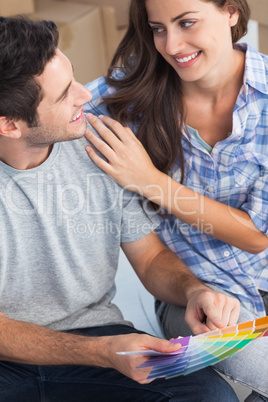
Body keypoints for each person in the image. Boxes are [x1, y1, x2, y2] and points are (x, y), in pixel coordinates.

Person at [0, 15, 240, 402]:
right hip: (11, 355)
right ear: (9, 124)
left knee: (210, 396)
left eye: (74, 77)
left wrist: (193, 290)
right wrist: (101, 353)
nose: (85, 95)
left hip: (98, 338)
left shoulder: (103, 147)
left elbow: (149, 260)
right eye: (63, 95)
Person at [83, 0, 268, 401]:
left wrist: (149, 181)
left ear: (232, 11)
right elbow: (49, 110)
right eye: (158, 28)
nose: (172, 44)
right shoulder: (129, 96)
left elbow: (256, 235)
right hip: (201, 298)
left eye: (186, 23)